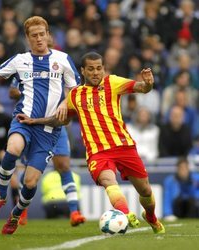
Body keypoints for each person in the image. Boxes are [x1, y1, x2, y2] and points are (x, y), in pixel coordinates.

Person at [0, 16, 82, 235]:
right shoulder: (20, 60)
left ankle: (15, 215)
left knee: (31, 182)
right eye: (34, 35)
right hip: (23, 120)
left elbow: (76, 89)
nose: (39, 39)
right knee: (13, 148)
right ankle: (1, 195)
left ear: (48, 34)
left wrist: (63, 102)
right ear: (27, 38)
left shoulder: (62, 59)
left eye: (42, 34)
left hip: (49, 130)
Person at [17, 52, 165, 234]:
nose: (96, 73)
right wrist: (35, 121)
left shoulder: (113, 82)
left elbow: (142, 88)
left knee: (146, 190)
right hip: (97, 151)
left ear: (103, 68)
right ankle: (125, 214)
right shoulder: (75, 95)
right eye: (91, 69)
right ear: (83, 71)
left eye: (99, 68)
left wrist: (149, 83)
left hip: (123, 146)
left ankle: (150, 216)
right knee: (108, 180)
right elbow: (60, 120)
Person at [9, 80, 85, 226]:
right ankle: (22, 211)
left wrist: (64, 100)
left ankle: (74, 212)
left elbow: (73, 92)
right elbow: (12, 92)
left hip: (56, 124)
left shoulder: (61, 65)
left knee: (63, 166)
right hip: (33, 125)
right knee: (29, 169)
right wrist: (33, 94)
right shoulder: (25, 64)